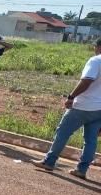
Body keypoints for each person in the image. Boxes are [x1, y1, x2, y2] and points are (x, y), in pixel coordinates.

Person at [33, 38, 101, 179]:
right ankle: (81, 169)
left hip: (83, 105)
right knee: (90, 139)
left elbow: (87, 81)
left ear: (99, 47)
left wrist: (71, 96)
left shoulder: (96, 61)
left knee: (62, 132)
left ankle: (49, 161)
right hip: (99, 109)